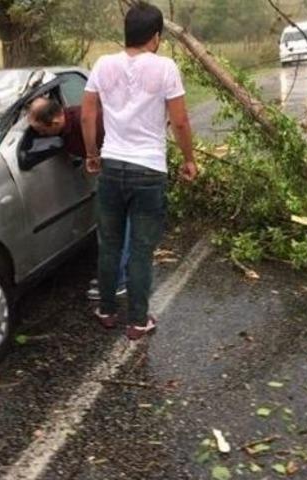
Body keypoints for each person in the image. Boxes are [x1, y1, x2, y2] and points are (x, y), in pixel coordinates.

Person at [80, 1, 197, 340]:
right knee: (142, 250)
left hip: (112, 166)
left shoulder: (102, 64)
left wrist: (92, 153)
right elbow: (180, 120)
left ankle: (105, 309)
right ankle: (137, 321)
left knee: (110, 244)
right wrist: (189, 159)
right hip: (148, 169)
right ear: (156, 36)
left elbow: (88, 115)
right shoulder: (165, 68)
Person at [26, 96, 129, 300]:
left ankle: (117, 281)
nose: (41, 135)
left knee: (113, 226)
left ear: (55, 122)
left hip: (122, 168)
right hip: (111, 169)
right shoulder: (66, 124)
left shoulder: (91, 123)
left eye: (42, 131)